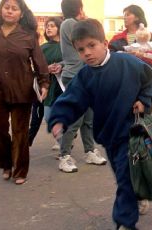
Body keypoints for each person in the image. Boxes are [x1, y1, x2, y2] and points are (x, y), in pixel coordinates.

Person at [48, 19, 152, 230]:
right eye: (80, 49)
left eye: (91, 45)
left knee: (125, 177)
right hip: (109, 136)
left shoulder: (127, 63)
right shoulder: (85, 76)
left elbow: (148, 78)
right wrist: (59, 119)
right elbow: (72, 99)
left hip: (133, 132)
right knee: (123, 176)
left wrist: (144, 100)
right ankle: (138, 194)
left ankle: (125, 222)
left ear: (104, 43)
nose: (86, 52)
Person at [0, 0, 49, 185]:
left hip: (22, 90)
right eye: (7, 7)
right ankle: (6, 164)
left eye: (15, 8)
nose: (10, 11)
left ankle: (20, 170)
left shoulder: (29, 35)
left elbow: (39, 62)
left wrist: (44, 83)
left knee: (20, 131)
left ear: (21, 14)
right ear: (1, 10)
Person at [55, 0, 107, 174]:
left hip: (87, 75)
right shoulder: (70, 23)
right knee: (76, 119)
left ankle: (90, 151)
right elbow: (82, 40)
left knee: (89, 119)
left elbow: (72, 54)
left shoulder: (67, 24)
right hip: (77, 77)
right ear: (79, 8)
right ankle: (64, 156)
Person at [28, 17, 63, 151]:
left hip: (62, 86)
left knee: (62, 115)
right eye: (47, 26)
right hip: (45, 86)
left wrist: (62, 67)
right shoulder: (42, 48)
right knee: (48, 117)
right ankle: (62, 139)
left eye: (52, 26)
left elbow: (73, 64)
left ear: (60, 28)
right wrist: (45, 69)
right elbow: (33, 67)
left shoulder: (67, 47)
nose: (48, 28)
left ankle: (64, 144)